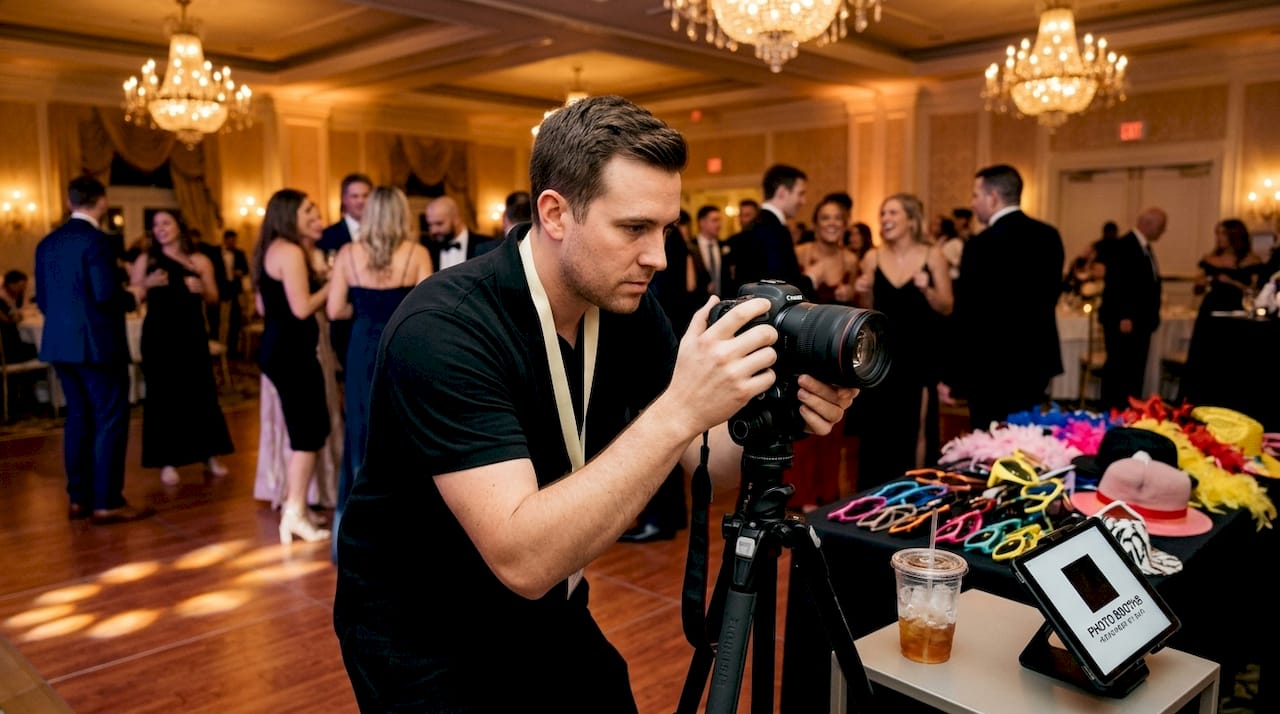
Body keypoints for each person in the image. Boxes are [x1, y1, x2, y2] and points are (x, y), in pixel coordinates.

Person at [333, 95, 855, 712]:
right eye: (634, 228)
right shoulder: (444, 328)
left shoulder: (626, 308)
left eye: (665, 230)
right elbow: (522, 556)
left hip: (551, 602)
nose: (658, 257)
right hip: (426, 629)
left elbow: (703, 464)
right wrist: (681, 408)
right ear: (554, 212)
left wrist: (777, 421)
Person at [34, 176, 153, 524]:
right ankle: (107, 502)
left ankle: (79, 499)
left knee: (78, 418)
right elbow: (105, 295)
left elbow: (43, 300)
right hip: (98, 346)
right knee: (110, 420)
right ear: (101, 201)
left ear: (70, 202)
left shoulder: (47, 243)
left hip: (59, 345)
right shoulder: (98, 241)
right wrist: (135, 295)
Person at [325, 185, 433, 561]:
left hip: (361, 349)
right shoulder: (417, 253)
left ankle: (356, 538)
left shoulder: (348, 254)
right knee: (406, 434)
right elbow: (425, 314)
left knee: (362, 433)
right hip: (401, 348)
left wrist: (363, 309)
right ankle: (405, 535)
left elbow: (334, 309)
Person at [942, 164, 1064, 429]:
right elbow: (1052, 295)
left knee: (989, 444)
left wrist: (952, 376)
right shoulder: (1049, 236)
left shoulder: (979, 245)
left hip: (990, 366)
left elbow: (967, 314)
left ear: (993, 197)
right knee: (1027, 438)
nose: (972, 204)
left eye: (976, 195)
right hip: (1035, 359)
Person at [850, 193, 952, 488]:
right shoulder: (872, 257)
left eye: (893, 213)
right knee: (878, 428)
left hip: (919, 353)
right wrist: (863, 290)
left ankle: (917, 489)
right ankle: (875, 493)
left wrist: (928, 290)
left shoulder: (933, 255)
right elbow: (866, 311)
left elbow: (947, 306)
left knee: (917, 425)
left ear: (911, 219)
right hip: (881, 354)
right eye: (883, 214)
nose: (885, 219)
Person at [129, 210, 233, 486]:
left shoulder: (199, 260)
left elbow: (214, 298)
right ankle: (167, 460)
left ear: (180, 226)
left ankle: (209, 455)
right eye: (155, 225)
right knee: (164, 395)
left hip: (191, 333)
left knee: (200, 391)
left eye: (166, 223)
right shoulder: (146, 259)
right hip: (159, 336)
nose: (160, 229)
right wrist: (146, 284)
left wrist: (201, 288)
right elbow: (133, 295)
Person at [253, 188, 333, 544]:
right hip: (291, 353)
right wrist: (334, 283)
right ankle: (295, 513)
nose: (313, 214)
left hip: (279, 348)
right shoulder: (289, 251)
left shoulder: (270, 250)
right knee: (308, 434)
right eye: (307, 210)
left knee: (308, 430)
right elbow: (301, 308)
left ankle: (295, 504)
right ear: (289, 215)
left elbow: (261, 306)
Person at [1097, 207, 1167, 410]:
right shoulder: (1125, 245)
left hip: (1140, 320)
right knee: (1120, 368)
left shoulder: (1144, 247)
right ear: (1149, 224)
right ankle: (1113, 410)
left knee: (1134, 368)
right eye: (1161, 227)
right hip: (1126, 321)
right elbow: (1119, 283)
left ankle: (1128, 408)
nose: (1163, 231)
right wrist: (1124, 315)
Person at [723, 164, 812, 298]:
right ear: (782, 192)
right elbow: (781, 285)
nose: (803, 201)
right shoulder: (774, 230)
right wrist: (812, 278)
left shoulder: (755, 225)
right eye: (800, 193)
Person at [422, 195, 497, 271]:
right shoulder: (427, 250)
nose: (433, 230)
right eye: (430, 225)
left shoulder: (486, 245)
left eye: (439, 223)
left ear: (456, 219)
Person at [218, 229, 250, 356]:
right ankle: (217, 346)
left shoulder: (240, 253)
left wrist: (240, 272)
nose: (233, 242)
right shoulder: (217, 252)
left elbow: (246, 270)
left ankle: (232, 349)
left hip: (235, 289)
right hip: (221, 288)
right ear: (225, 239)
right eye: (230, 240)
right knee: (217, 319)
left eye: (234, 240)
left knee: (235, 320)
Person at [0, 269, 36, 364]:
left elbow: (16, 312)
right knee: (38, 348)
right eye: (20, 286)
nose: (22, 289)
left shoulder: (14, 296)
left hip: (13, 340)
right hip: (6, 348)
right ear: (10, 284)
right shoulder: (2, 299)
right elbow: (10, 318)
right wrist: (15, 318)